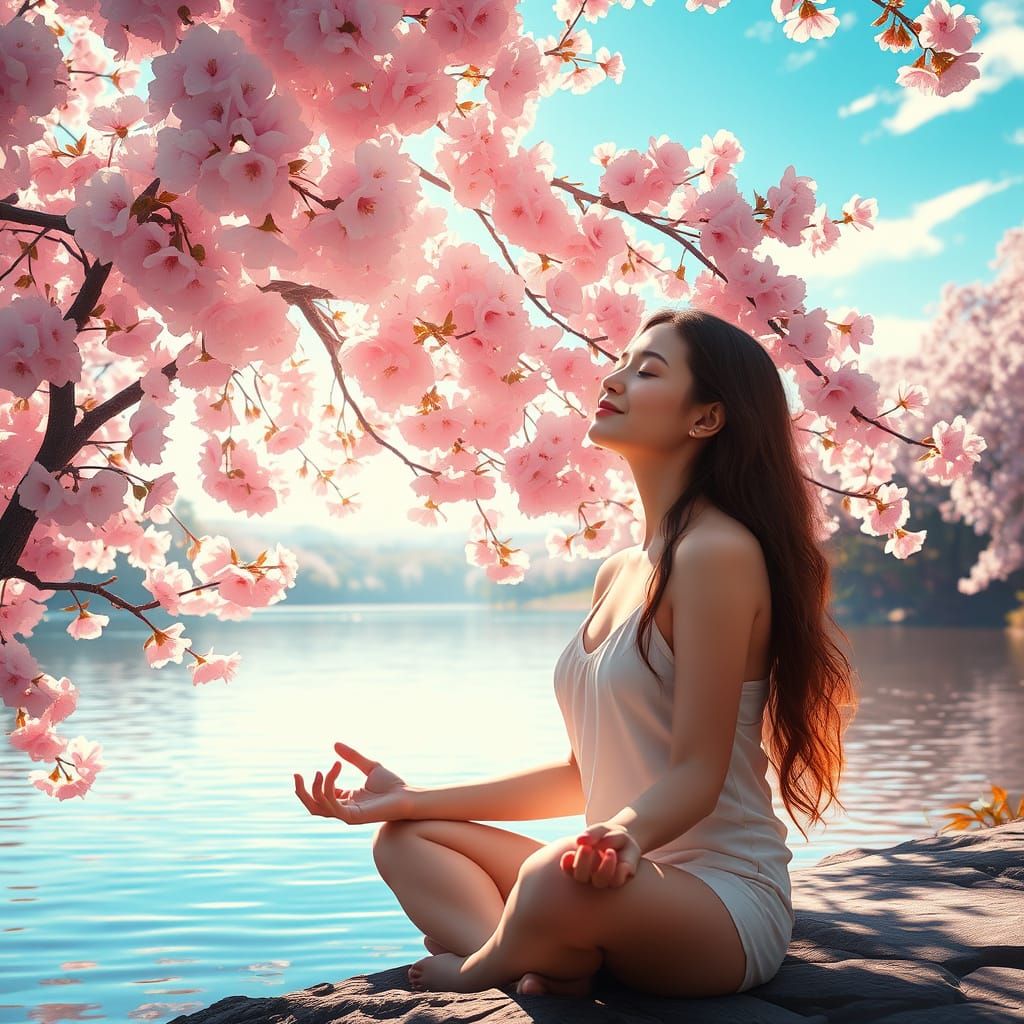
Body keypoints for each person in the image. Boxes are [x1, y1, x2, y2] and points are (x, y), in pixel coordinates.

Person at [294, 307, 859, 999]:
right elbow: (577, 772)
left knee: (550, 873)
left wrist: (619, 837)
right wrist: (410, 800)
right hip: (609, 876)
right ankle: (542, 961)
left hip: (719, 906)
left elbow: (697, 772)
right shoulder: (619, 570)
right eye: (621, 361)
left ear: (706, 418)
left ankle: (480, 968)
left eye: (647, 370)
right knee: (408, 841)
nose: (614, 378)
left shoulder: (719, 553)